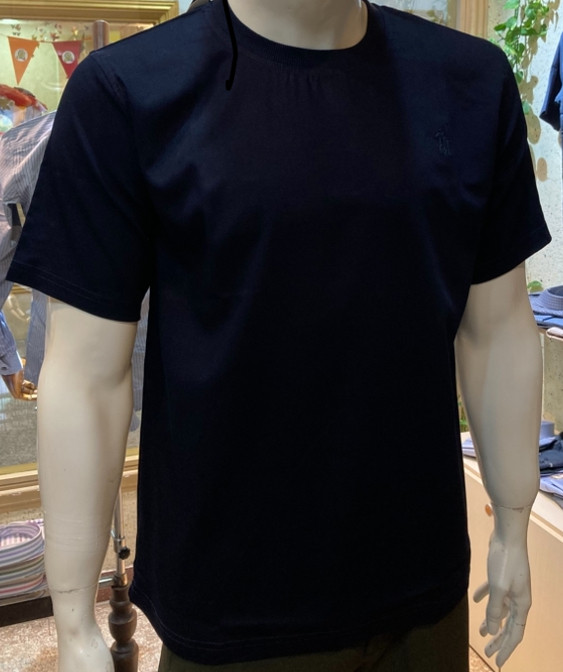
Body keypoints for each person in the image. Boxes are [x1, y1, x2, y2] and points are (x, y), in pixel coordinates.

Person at [7, 0, 549, 671]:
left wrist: (512, 522)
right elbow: (86, 376)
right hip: (234, 607)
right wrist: (73, 621)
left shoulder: (469, 83)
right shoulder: (130, 90)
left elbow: (498, 327)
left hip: (422, 590)